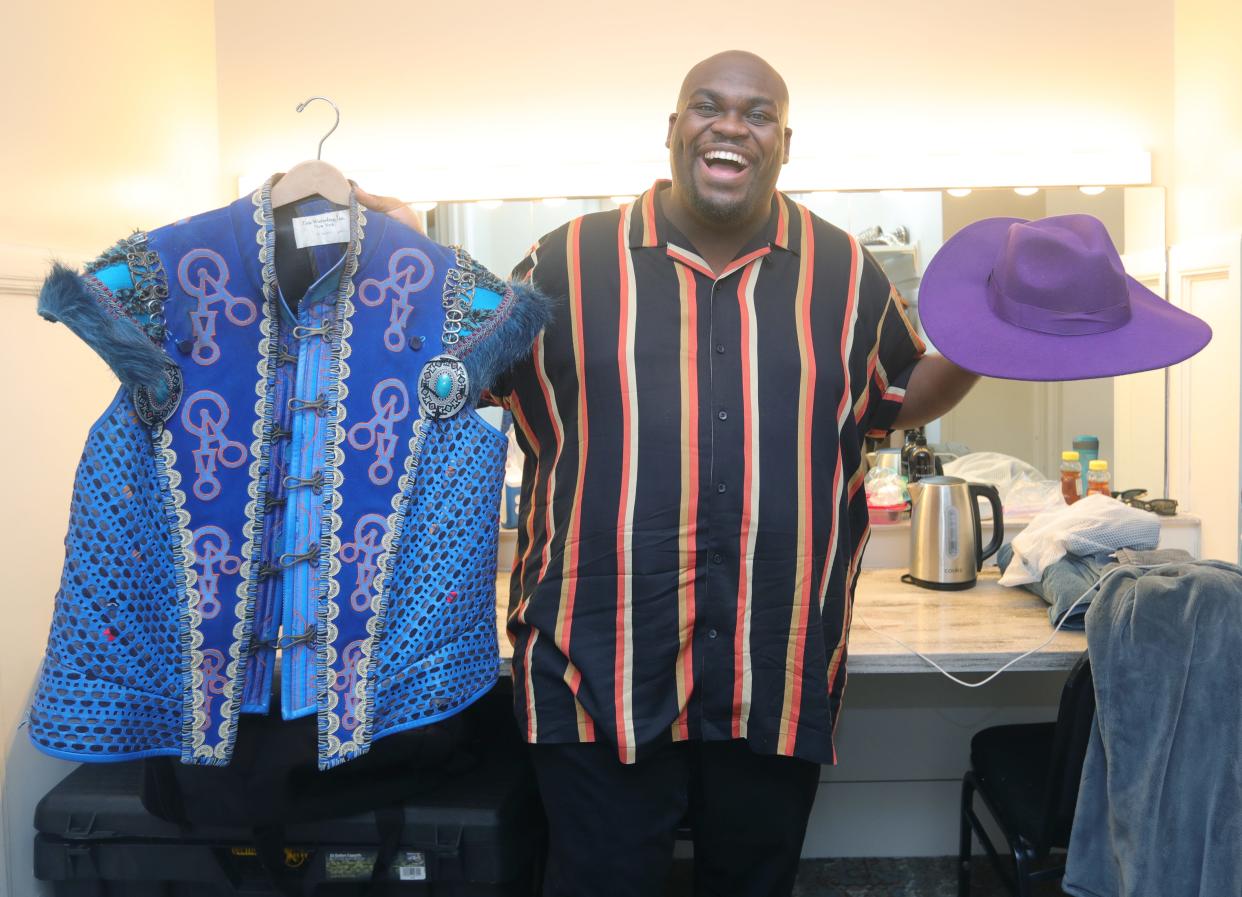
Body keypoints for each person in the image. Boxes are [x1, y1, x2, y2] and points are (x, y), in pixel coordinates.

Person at [361, 49, 977, 897]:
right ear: (673, 129)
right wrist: (402, 269)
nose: (731, 125)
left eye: (757, 113)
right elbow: (445, 383)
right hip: (593, 662)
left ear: (785, 142)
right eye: (707, 106)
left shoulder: (846, 274)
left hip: (778, 662)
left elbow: (897, 398)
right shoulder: (562, 264)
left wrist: (995, 339)